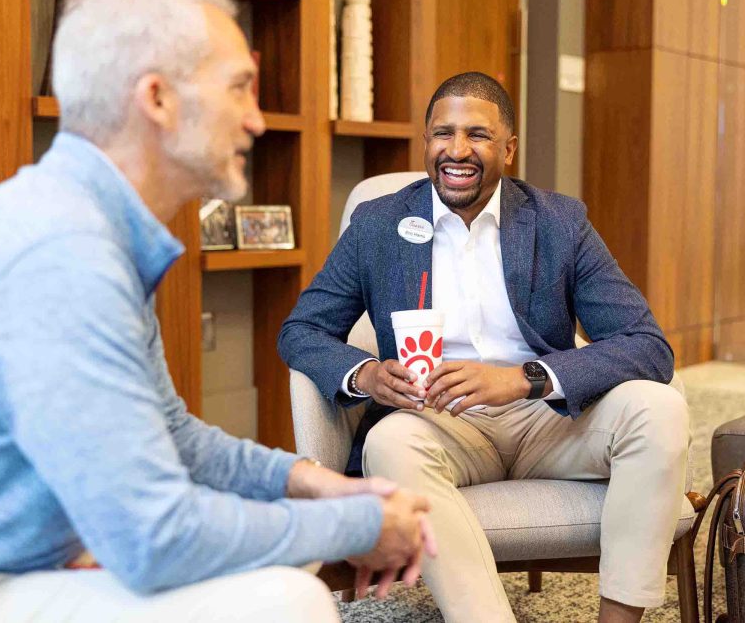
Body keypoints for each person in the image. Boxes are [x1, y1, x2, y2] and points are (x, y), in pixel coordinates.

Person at [0, 0, 434, 623]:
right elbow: (153, 538)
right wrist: (355, 524)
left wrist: (309, 482)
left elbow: (172, 434)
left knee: (288, 549)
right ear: (157, 98)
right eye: (239, 87)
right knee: (288, 598)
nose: (257, 119)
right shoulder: (63, 256)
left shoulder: (86, 225)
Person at [279, 72, 690, 623]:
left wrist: (526, 378)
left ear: (508, 149)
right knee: (389, 442)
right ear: (426, 142)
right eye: (442, 134)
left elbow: (647, 346)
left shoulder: (560, 222)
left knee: (658, 406)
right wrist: (368, 374)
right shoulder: (378, 225)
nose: (457, 150)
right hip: (440, 422)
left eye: (477, 134)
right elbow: (301, 329)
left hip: (549, 419)